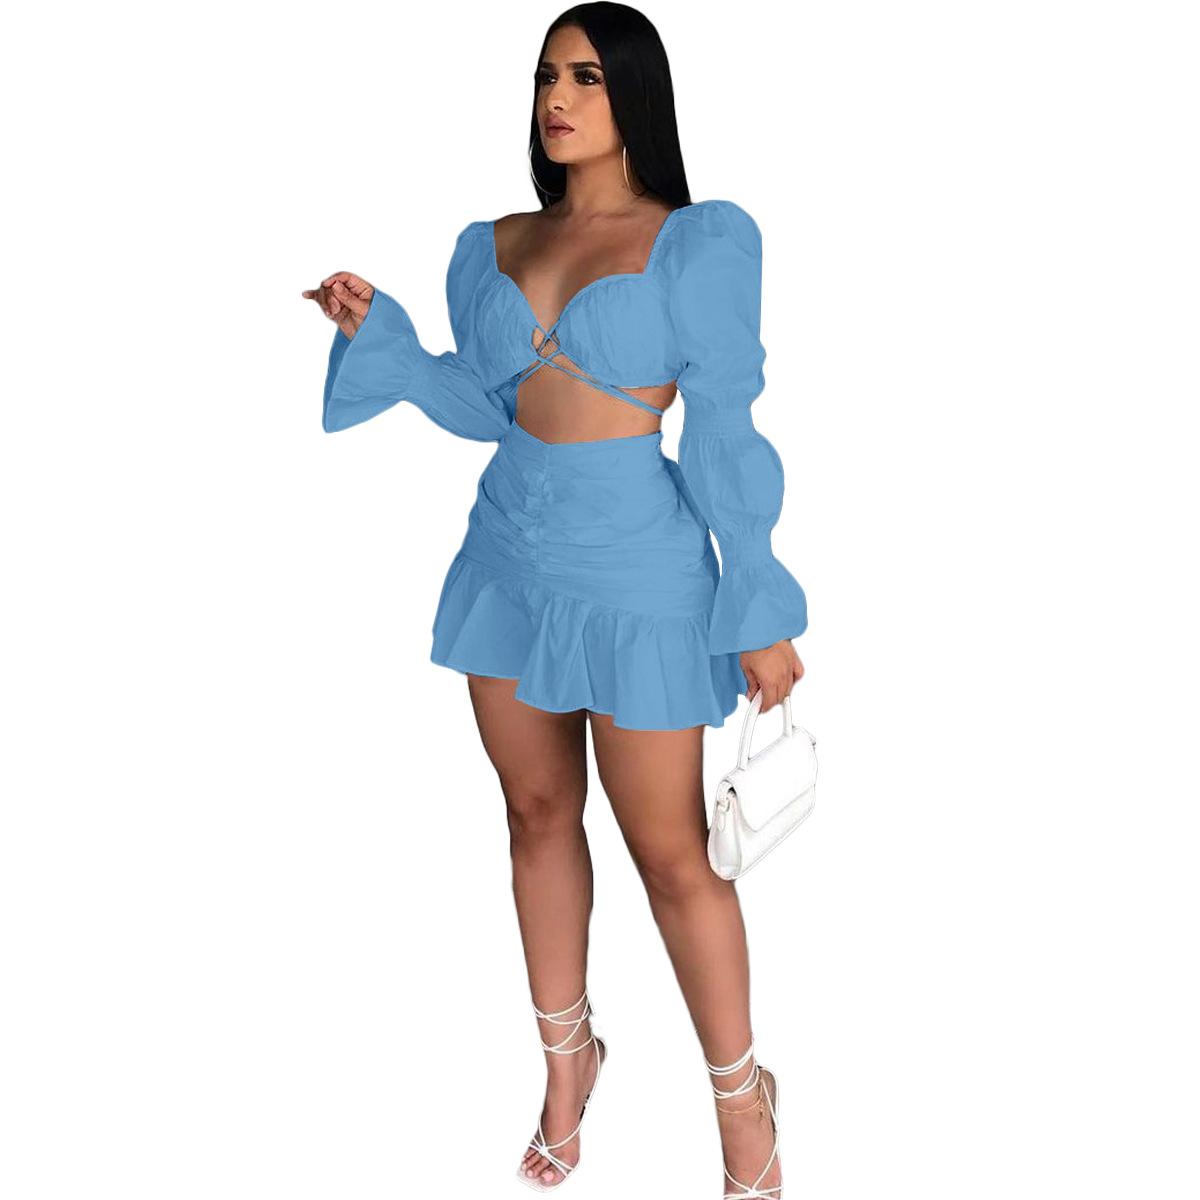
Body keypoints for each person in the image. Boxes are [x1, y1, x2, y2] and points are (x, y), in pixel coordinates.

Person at [302, 5, 807, 1195]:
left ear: (637, 94)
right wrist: (388, 340)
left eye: (585, 76)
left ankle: (744, 1103)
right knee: (534, 816)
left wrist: (759, 601)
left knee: (672, 855)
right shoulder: (494, 242)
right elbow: (488, 407)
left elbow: (724, 428)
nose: (557, 99)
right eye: (545, 77)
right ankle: (569, 1063)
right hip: (509, 558)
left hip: (639, 570)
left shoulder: (697, 242)